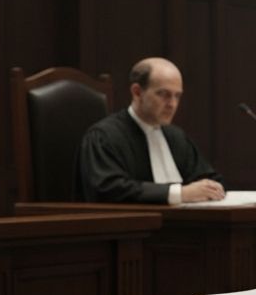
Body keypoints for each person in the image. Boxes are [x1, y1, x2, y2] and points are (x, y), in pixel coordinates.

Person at [75, 57, 226, 204]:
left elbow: (207, 177)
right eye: (164, 94)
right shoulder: (104, 137)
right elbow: (109, 190)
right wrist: (180, 194)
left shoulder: (175, 136)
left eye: (177, 96)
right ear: (137, 92)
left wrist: (213, 188)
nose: (172, 104)